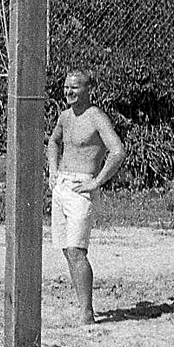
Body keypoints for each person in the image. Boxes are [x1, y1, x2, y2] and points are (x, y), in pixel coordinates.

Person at [46, 67, 125, 324]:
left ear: (88, 89)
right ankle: (83, 305)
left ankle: (87, 313)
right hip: (62, 186)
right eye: (67, 87)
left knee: (77, 250)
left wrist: (97, 181)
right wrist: (53, 171)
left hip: (83, 187)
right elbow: (53, 142)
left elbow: (117, 151)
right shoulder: (65, 116)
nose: (69, 92)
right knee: (67, 250)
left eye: (75, 87)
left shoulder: (96, 117)